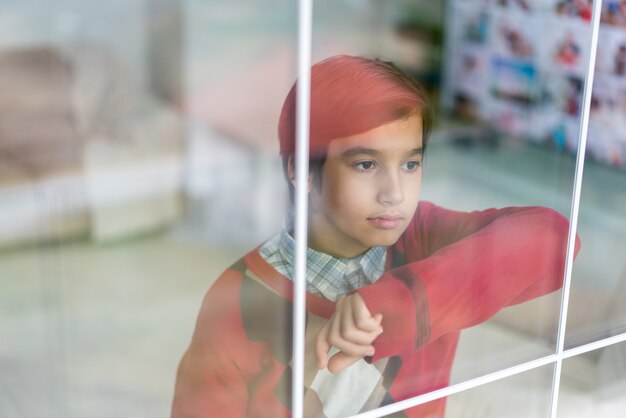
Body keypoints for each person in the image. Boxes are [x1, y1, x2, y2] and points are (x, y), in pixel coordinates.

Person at [171, 55, 579, 418]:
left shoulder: (424, 238)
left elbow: (557, 239)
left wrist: (400, 302)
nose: (395, 194)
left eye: (410, 164)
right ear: (300, 171)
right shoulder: (238, 297)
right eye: (365, 165)